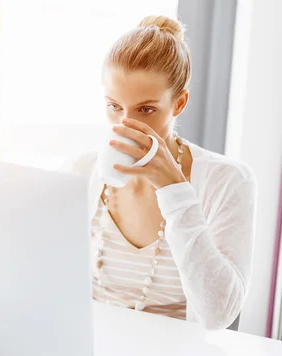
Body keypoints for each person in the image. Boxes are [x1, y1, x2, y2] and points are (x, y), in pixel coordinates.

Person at [69, 15, 257, 330]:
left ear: (179, 103)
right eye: (114, 106)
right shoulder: (84, 171)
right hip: (95, 355)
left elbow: (218, 316)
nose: (125, 125)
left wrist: (174, 190)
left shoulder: (227, 181)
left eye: (146, 110)